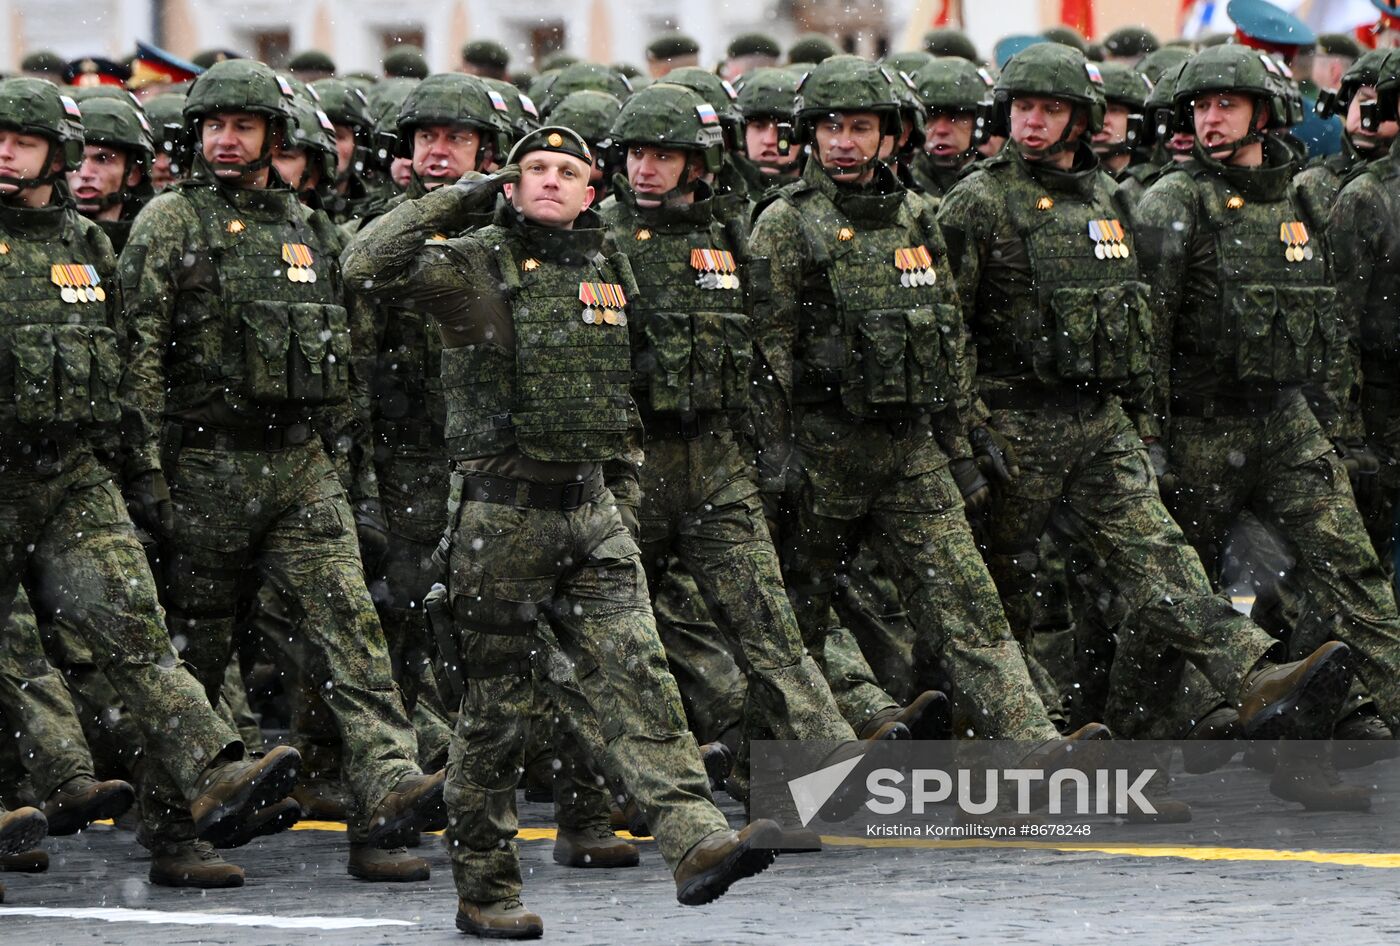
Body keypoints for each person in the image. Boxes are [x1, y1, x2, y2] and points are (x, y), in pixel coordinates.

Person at [344, 125, 783, 939]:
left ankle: (692, 841)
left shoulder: (606, 265)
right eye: (534, 169)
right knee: (497, 716)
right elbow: (365, 263)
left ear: (593, 192)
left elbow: (618, 393)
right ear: (512, 185)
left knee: (641, 674)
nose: (550, 181)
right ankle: (487, 890)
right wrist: (461, 194)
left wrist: (622, 493)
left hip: (591, 509)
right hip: (500, 519)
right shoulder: (471, 263)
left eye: (567, 172)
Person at [937, 44, 1357, 779]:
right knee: (1000, 598)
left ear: (1081, 120)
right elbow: (949, 329)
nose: (1033, 123)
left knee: (1160, 562)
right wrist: (967, 430)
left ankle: (1249, 676)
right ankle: (995, 755)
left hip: (1099, 422)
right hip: (1015, 423)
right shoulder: (976, 203)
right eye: (1023, 108)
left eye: (1051, 109)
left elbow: (1138, 325)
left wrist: (1144, 424)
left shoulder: (1112, 201)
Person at [118, 58, 448, 882]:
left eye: (245, 127)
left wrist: (348, 471)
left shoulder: (310, 228)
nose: (228, 142)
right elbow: (139, 356)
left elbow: (344, 356)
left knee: (353, 639)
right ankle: (174, 830)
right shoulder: (170, 220)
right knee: (199, 649)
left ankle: (386, 805)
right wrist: (147, 475)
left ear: (275, 137)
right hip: (204, 461)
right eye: (215, 128)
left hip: (299, 465)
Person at [0, 75, 304, 888]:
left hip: (72, 474)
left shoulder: (86, 246)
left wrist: (140, 475)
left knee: (133, 631)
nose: (5, 153)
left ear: (54, 155)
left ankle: (213, 771)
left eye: (23, 141)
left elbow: (127, 365)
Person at [1133, 43, 1400, 755]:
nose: (1210, 119)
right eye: (1201, 105)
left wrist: (1342, 432)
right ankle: (1135, 744)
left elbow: (1333, 324)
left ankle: (1355, 724)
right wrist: (1150, 441)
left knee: (1352, 575)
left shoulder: (1309, 197)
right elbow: (1148, 333)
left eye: (1227, 104)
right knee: (1167, 603)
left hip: (1285, 424)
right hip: (1199, 428)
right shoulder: (1174, 201)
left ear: (1265, 113)